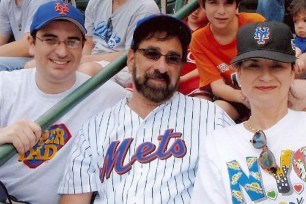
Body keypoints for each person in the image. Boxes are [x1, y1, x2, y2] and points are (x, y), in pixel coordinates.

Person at [58, 14, 234, 203]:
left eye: (173, 59)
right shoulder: (94, 128)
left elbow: (243, 183)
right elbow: (74, 199)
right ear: (132, 59)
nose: (162, 66)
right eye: (152, 54)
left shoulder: (211, 117)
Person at [0, 1, 128, 204]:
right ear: (31, 43)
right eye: (50, 40)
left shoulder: (109, 96)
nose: (61, 52)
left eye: (72, 42)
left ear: (83, 46)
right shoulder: (6, 86)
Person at [190, 21, 306, 203]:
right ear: (239, 74)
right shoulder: (216, 144)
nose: (266, 76)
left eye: (277, 65)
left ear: (292, 73)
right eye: (254, 66)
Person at [190, 0, 265, 122]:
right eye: (214, 3)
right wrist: (243, 98)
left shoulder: (255, 22)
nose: (221, 11)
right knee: (212, 116)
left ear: (236, 5)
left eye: (228, 3)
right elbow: (217, 86)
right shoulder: (198, 39)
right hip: (233, 96)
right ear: (202, 5)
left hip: (266, 89)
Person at [77, 0, 160, 87]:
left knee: (86, 70)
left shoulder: (145, 7)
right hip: (94, 61)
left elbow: (132, 54)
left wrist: (87, 60)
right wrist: (80, 60)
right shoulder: (95, 2)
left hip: (124, 68)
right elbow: (88, 41)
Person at [0, 0, 51, 71]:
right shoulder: (6, 2)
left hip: (46, 58)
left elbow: (29, 45)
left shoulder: (40, 1)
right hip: (26, 58)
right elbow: (1, 38)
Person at [178, 0, 210, 98]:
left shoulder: (211, 30)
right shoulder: (174, 24)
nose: (195, 11)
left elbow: (208, 67)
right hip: (170, 74)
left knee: (202, 98)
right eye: (191, 5)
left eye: (200, 7)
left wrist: (182, 79)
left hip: (195, 79)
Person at [289, 0, 306, 78]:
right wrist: (296, 59)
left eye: (305, 20)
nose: (299, 26)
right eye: (296, 21)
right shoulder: (298, 40)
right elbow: (296, 50)